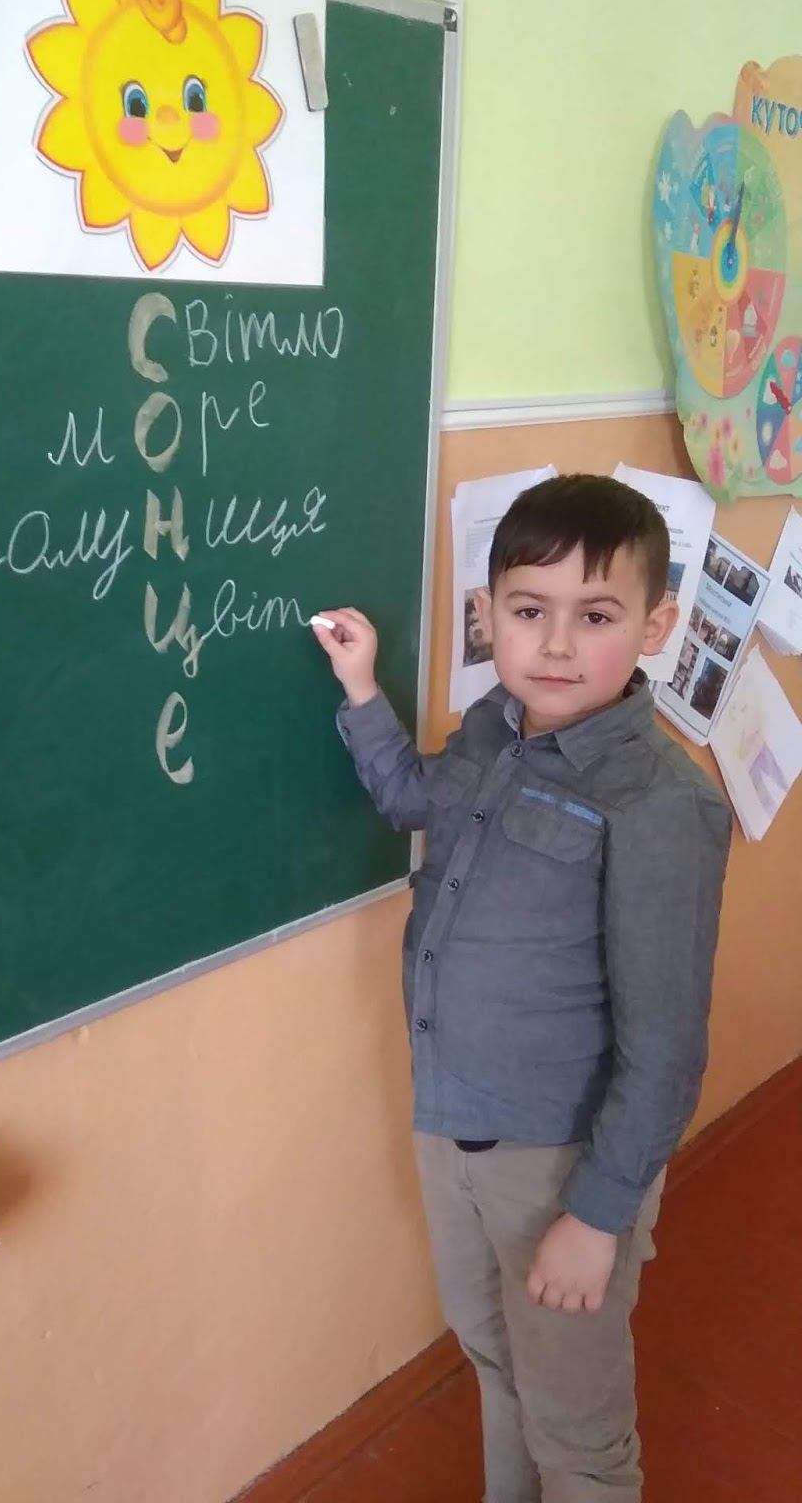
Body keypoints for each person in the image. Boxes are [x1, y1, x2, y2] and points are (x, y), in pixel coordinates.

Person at [312, 474, 733, 1502]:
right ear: (487, 613)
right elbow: (412, 797)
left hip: (558, 1162)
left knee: (577, 1427)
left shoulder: (659, 803)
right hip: (450, 1125)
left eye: (596, 616)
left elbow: (666, 1048)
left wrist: (596, 1218)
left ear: (656, 626)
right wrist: (363, 692)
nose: (555, 645)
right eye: (529, 611)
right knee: (496, 1358)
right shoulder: (490, 732)